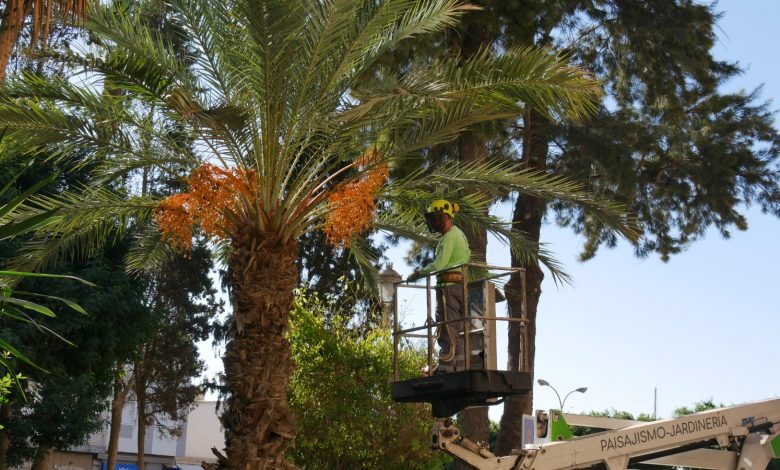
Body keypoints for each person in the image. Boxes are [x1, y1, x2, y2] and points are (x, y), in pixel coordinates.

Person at [408, 199, 472, 373]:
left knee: (446, 328)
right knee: (456, 329)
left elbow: (439, 265)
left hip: (448, 289)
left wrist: (419, 273)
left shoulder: (449, 237)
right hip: (459, 287)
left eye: (436, 218)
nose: (434, 222)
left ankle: (446, 368)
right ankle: (457, 368)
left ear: (445, 217)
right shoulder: (459, 234)